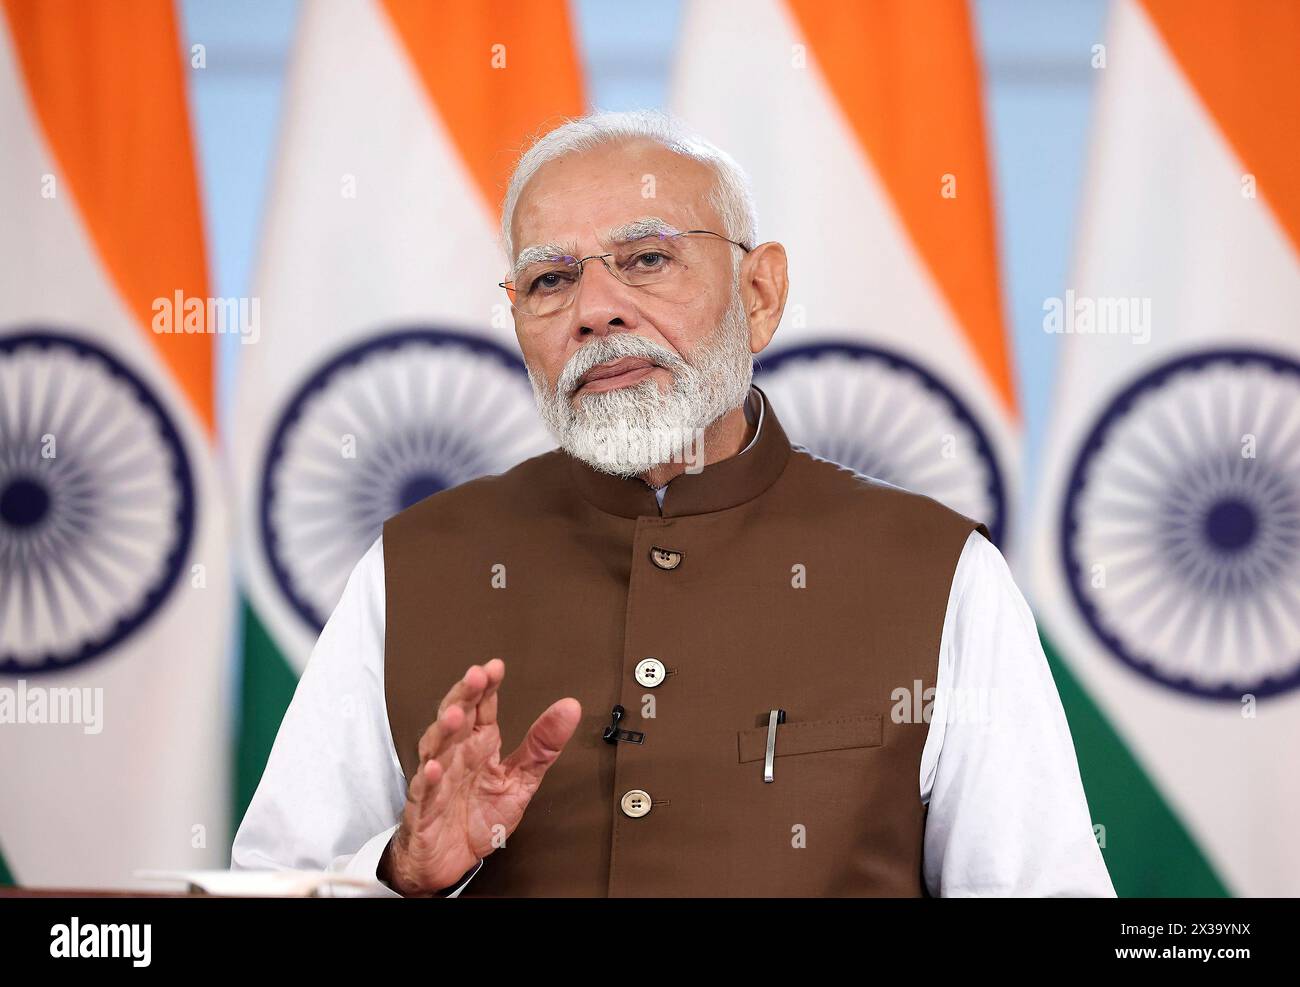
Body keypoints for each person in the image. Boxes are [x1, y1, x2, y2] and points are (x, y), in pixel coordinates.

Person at [233, 110, 1115, 897]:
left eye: (647, 259)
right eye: (548, 281)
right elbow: (271, 885)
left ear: (760, 294)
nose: (595, 311)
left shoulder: (940, 571)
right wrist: (401, 875)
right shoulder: (414, 563)